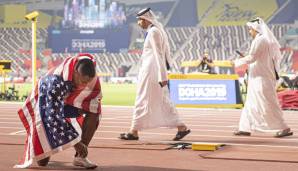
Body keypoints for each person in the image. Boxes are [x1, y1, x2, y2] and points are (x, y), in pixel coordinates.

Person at [15, 54, 102, 169]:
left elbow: (95, 102)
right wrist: (76, 143)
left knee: (94, 111)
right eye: (81, 81)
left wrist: (82, 144)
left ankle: (80, 157)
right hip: (45, 106)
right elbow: (53, 116)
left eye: (87, 82)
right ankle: (46, 147)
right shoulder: (55, 81)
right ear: (75, 72)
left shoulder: (91, 76)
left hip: (66, 103)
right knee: (42, 161)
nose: (84, 85)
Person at [119, 8, 190, 141]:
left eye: (140, 20)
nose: (139, 23)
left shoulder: (154, 32)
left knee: (146, 99)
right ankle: (180, 127)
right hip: (150, 71)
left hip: (152, 72)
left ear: (146, 19)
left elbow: (159, 54)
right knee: (157, 100)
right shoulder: (153, 31)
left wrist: (162, 76)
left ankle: (134, 131)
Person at [232, 17, 293, 138]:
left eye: (250, 29)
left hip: (262, 79)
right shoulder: (264, 40)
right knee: (250, 103)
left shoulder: (261, 40)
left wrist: (236, 62)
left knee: (268, 103)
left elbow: (251, 58)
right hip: (257, 78)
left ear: (255, 29)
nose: (249, 32)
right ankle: (244, 128)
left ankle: (283, 127)